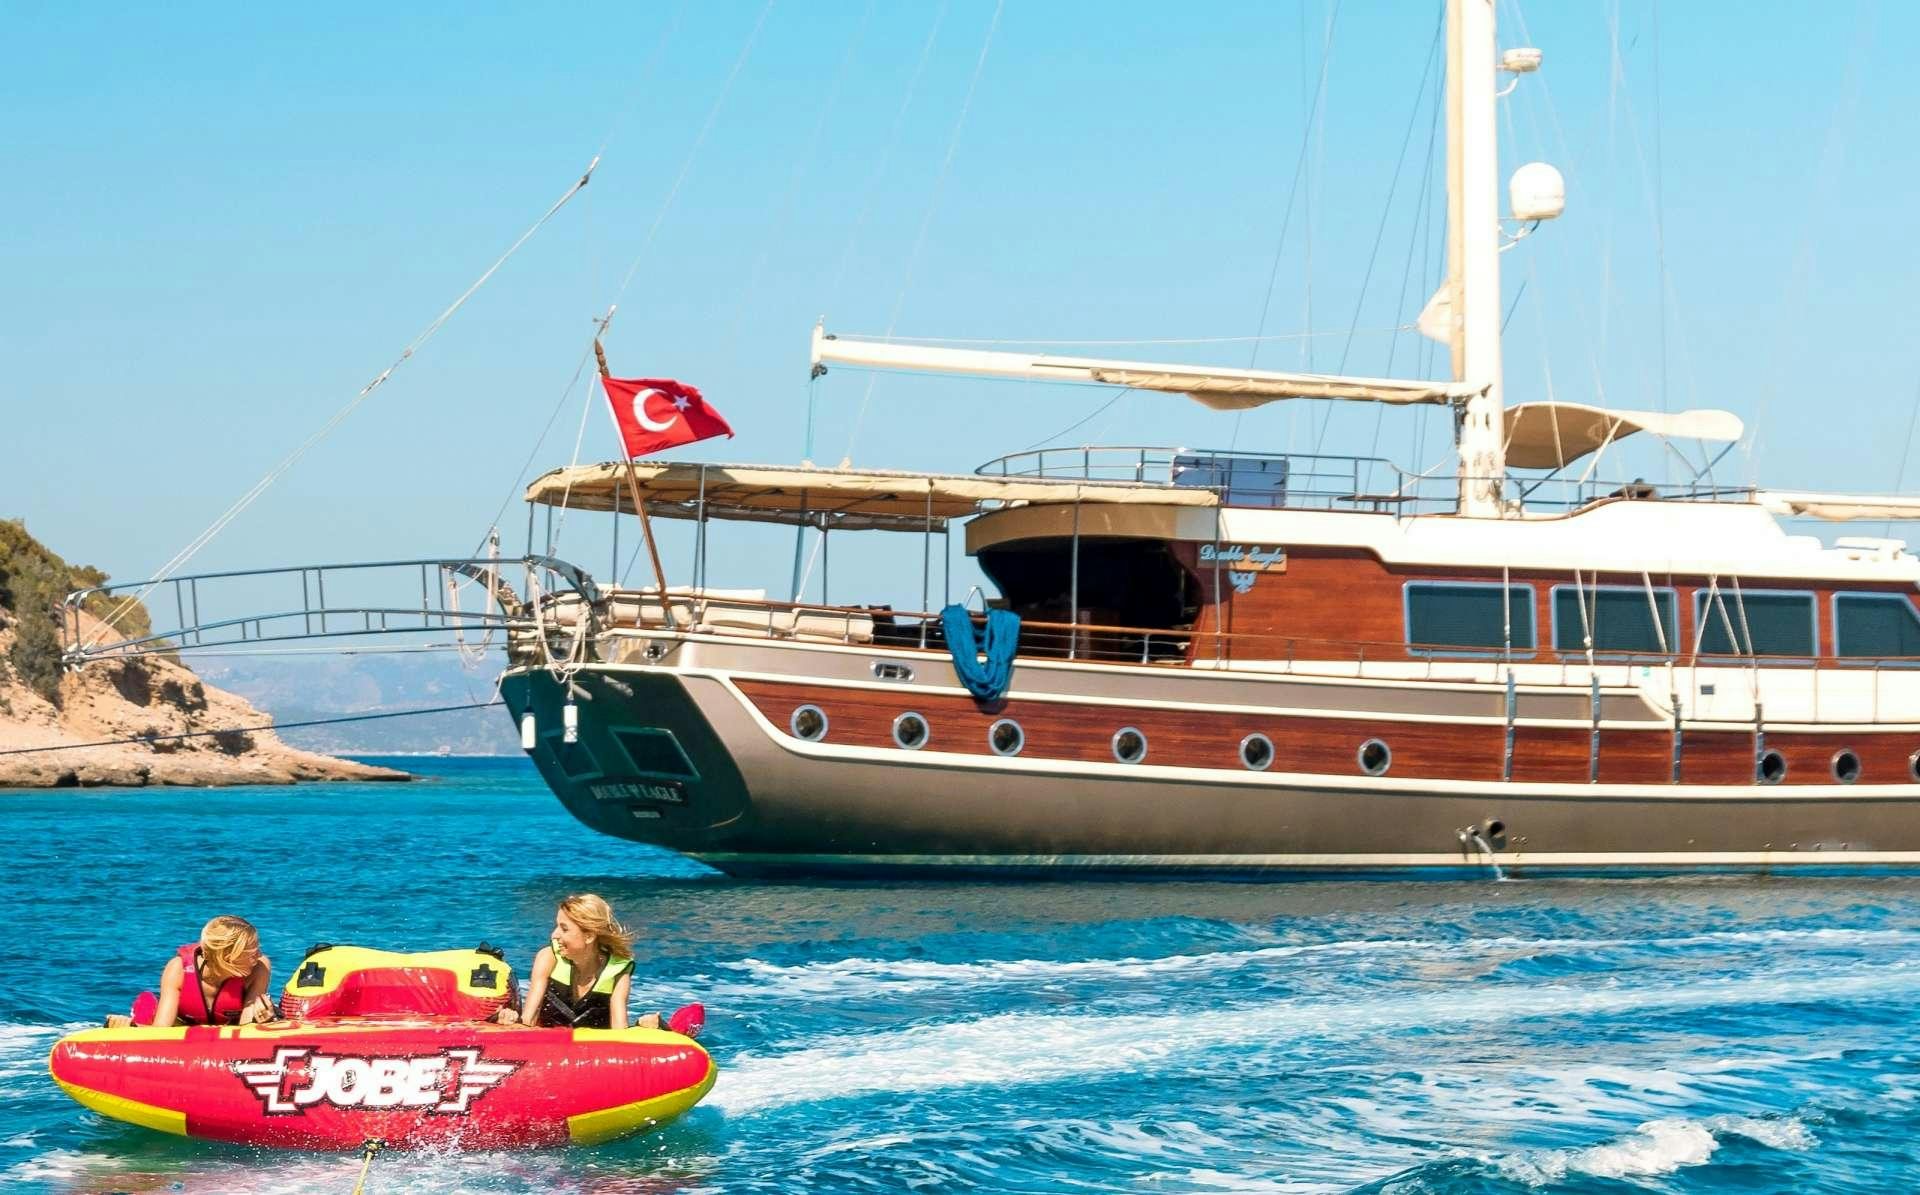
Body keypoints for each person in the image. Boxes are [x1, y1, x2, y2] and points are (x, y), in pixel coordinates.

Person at [501, 894, 661, 1030]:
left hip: (591, 1055)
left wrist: (641, 1027)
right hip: (549, 1047)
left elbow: (619, 1031)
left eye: (564, 929)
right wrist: (510, 1020)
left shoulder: (617, 972)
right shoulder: (548, 958)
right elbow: (529, 1019)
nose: (554, 935)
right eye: (557, 926)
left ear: (589, 936)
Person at [106, 915, 275, 1028]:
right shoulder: (177, 970)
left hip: (226, 1028)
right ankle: (136, 1024)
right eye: (252, 952)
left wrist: (260, 1020)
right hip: (181, 1028)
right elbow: (161, 1032)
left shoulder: (259, 968)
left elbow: (245, 1027)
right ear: (228, 957)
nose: (259, 955)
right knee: (148, 1008)